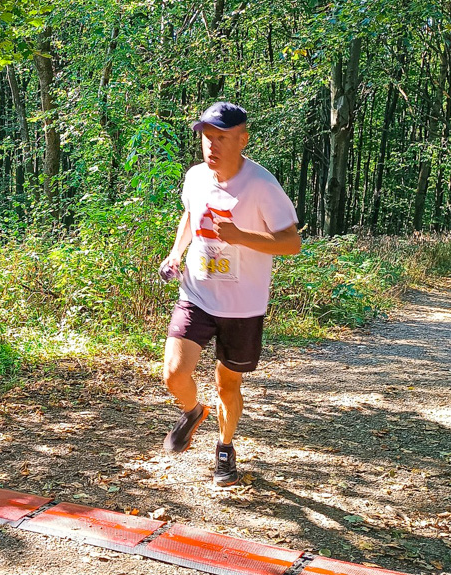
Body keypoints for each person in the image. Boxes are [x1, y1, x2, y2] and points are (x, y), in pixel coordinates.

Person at [159, 102, 301, 487]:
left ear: (243, 139)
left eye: (221, 137)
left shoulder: (262, 185)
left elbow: (292, 243)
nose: (212, 145)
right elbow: (190, 214)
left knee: (228, 384)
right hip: (198, 292)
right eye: (207, 137)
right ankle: (192, 411)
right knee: (173, 373)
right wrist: (176, 253)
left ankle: (224, 448)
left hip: (244, 305)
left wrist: (241, 237)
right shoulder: (195, 177)